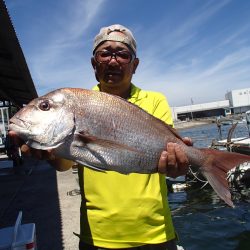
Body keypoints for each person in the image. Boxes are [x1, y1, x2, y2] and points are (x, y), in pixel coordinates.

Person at [10, 24, 191, 250]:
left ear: (135, 65)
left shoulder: (155, 101)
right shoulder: (79, 101)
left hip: (155, 233)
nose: (113, 61)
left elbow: (169, 155)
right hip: (97, 237)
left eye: (123, 54)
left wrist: (179, 163)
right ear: (94, 63)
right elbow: (64, 164)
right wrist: (47, 152)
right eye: (104, 53)